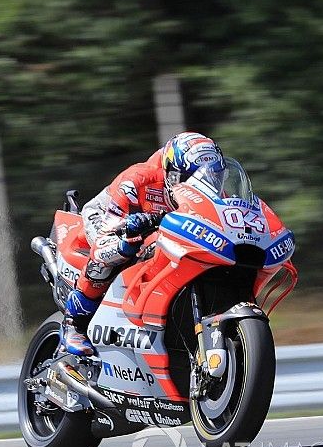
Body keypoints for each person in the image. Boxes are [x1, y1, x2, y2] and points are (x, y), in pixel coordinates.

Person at [61, 132, 225, 356]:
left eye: (214, 176)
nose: (205, 183)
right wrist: (127, 231)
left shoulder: (212, 190)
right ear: (173, 175)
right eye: (192, 178)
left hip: (158, 229)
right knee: (115, 250)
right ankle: (74, 324)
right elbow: (106, 236)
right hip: (110, 217)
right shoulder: (138, 179)